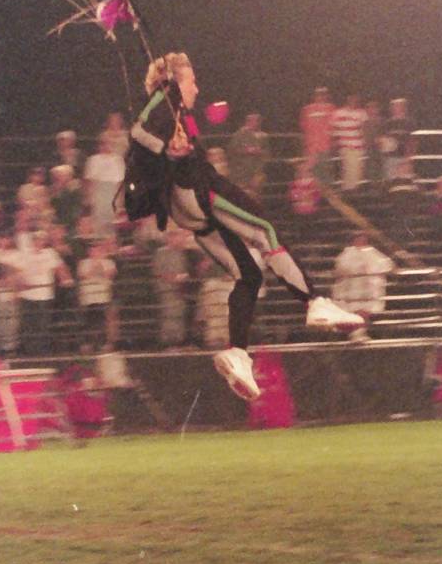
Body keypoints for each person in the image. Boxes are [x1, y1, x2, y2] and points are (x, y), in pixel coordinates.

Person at [127, 51, 362, 401]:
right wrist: (167, 149)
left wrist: (171, 149)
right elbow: (139, 132)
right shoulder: (166, 100)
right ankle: (314, 301)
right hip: (200, 191)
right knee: (265, 230)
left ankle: (237, 353)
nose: (197, 86)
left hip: (188, 213)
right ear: (176, 81)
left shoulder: (177, 111)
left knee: (249, 272)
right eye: (191, 80)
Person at [332, 230, 394, 342]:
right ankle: (355, 333)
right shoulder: (347, 253)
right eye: (358, 238)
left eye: (363, 238)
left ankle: (360, 333)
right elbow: (341, 268)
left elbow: (385, 264)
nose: (361, 241)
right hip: (352, 288)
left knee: (364, 311)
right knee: (355, 311)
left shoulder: (372, 252)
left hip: (367, 287)